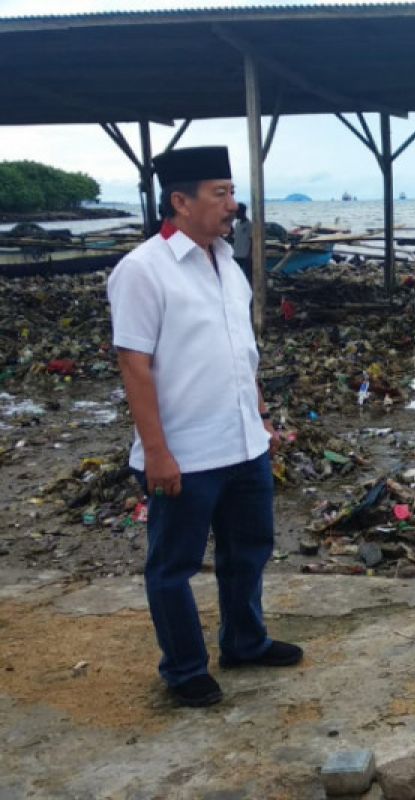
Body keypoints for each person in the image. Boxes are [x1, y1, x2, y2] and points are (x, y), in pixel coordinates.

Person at [106, 146, 302, 709]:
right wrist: (157, 451)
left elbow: (243, 353)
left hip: (242, 444)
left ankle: (244, 641)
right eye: (220, 193)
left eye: (231, 192)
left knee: (250, 550)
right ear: (179, 201)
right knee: (174, 566)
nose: (232, 205)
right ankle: (185, 668)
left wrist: (261, 418)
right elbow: (134, 365)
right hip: (184, 454)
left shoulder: (227, 265)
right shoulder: (143, 270)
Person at [231, 202, 251, 282]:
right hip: (236, 254)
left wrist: (249, 255)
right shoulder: (237, 224)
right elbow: (235, 238)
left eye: (237, 212)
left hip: (245, 255)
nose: (235, 214)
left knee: (247, 276)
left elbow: (252, 241)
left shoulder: (249, 225)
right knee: (236, 276)